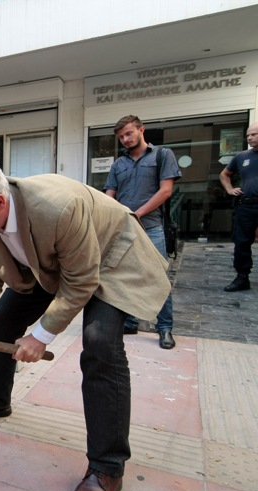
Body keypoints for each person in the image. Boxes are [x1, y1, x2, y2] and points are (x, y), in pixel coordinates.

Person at [0, 153, 170, 491]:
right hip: (54, 262)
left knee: (100, 345)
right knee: (1, 321)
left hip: (112, 259)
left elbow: (81, 281)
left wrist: (41, 335)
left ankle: (108, 468)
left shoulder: (58, 207)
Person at [104, 115, 180, 349]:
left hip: (152, 227)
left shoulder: (162, 155)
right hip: (124, 228)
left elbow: (166, 191)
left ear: (141, 130)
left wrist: (137, 214)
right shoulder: (119, 164)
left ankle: (165, 328)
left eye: (128, 133)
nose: (125, 139)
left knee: (158, 278)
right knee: (126, 276)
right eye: (121, 137)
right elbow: (109, 194)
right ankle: (131, 321)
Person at [219, 121, 258, 297]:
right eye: (248, 135)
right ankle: (242, 278)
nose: (249, 138)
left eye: (254, 134)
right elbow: (224, 174)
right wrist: (229, 189)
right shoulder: (241, 156)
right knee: (241, 243)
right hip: (245, 206)